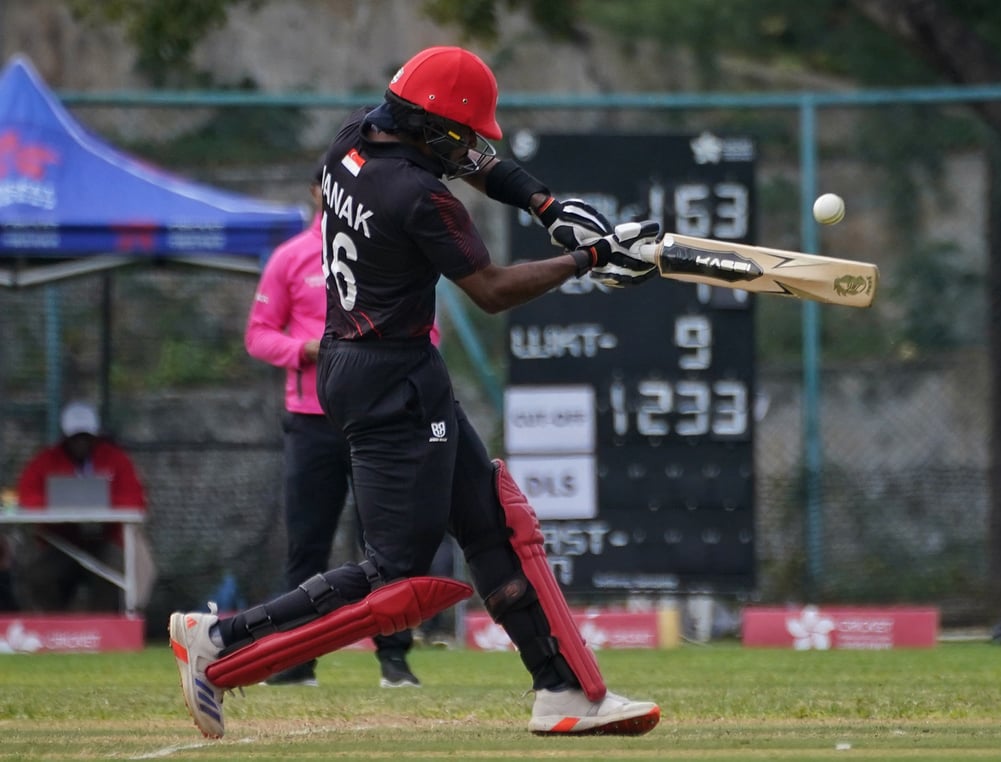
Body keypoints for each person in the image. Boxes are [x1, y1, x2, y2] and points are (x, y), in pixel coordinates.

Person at [170, 45, 661, 740]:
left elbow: (477, 163)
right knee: (398, 573)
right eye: (459, 134)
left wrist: (546, 204)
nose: (469, 149)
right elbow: (489, 292)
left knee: (494, 522)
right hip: (389, 378)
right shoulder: (419, 196)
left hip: (369, 363)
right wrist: (589, 259)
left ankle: (561, 691)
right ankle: (220, 640)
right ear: (426, 126)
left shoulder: (353, 140)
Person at [244, 162, 436, 688]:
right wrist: (303, 349)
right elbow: (259, 334)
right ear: (315, 191)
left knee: (385, 546)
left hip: (378, 422)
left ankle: (394, 661)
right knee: (307, 545)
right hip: (311, 424)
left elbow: (426, 331)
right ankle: (295, 660)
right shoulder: (289, 258)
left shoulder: (386, 247)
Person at [15, 401, 148, 611]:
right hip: (60, 543)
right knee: (40, 576)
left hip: (105, 540)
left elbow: (135, 500)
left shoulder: (117, 460)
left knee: (113, 571)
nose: (81, 442)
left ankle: (102, 630)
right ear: (65, 437)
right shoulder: (45, 461)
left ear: (95, 436)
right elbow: (27, 497)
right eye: (75, 437)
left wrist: (103, 508)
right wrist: (58, 507)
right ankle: (55, 629)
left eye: (86, 436)